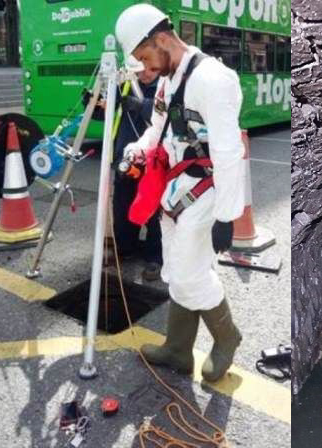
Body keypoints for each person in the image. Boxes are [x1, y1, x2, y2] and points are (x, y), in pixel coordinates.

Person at [115, 4, 245, 382]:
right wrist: (135, 150)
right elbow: (156, 131)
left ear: (161, 39)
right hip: (174, 192)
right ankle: (177, 348)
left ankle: (227, 338)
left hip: (206, 193)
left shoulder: (213, 80)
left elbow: (227, 150)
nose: (143, 67)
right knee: (176, 270)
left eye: (144, 57)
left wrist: (227, 215)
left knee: (191, 275)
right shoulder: (169, 80)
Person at [84, 57, 163, 281]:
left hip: (155, 161)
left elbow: (168, 117)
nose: (145, 73)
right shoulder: (126, 83)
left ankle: (155, 258)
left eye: (151, 68)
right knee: (122, 208)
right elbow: (105, 113)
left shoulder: (166, 85)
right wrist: (92, 103)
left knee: (154, 214)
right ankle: (125, 248)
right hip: (125, 158)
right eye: (141, 69)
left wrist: (143, 106)